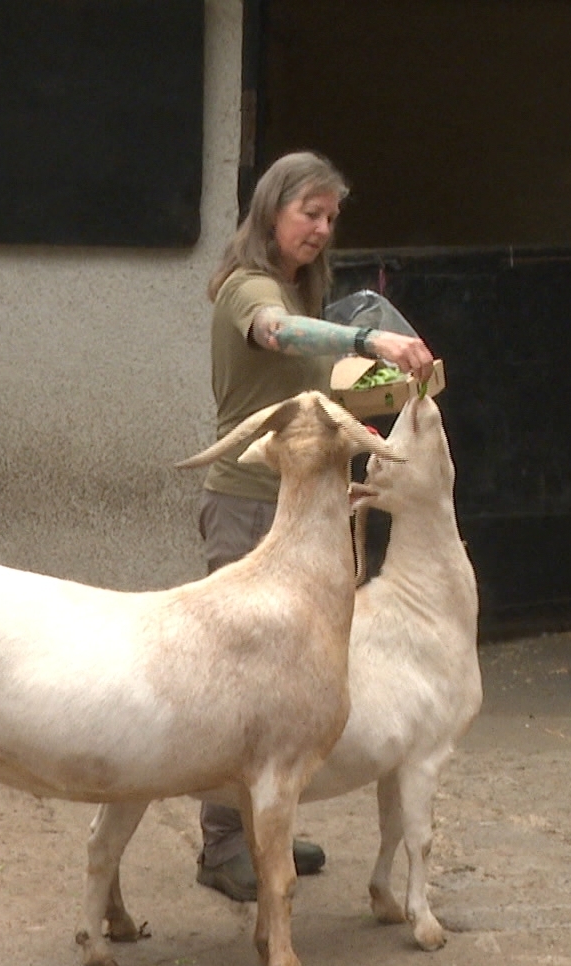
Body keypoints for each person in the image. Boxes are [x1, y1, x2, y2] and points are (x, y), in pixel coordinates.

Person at [195, 150, 436, 901]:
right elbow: (276, 336)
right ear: (273, 211)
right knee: (242, 676)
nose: (323, 230)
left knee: (302, 677)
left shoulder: (302, 292)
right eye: (311, 214)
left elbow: (317, 385)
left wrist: (404, 380)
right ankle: (223, 843)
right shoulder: (250, 288)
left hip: (307, 504)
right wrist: (370, 343)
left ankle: (268, 819)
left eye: (332, 218)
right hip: (250, 501)